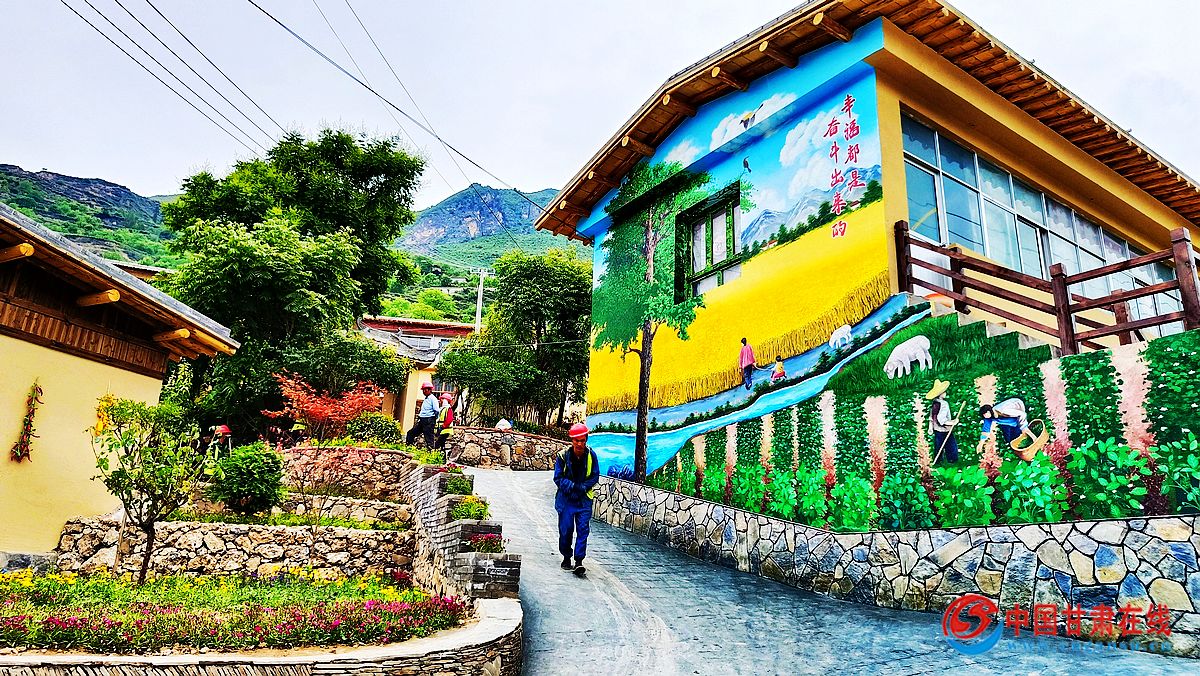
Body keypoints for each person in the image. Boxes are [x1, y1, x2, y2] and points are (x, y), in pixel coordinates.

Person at [553, 422, 599, 577]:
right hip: (566, 499)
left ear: (586, 440)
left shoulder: (591, 455)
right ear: (572, 440)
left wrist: (583, 487)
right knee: (565, 530)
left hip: (584, 499)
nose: (579, 444)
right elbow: (558, 478)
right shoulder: (562, 456)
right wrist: (573, 486)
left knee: (583, 530)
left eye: (582, 440)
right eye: (577, 440)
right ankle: (566, 556)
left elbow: (595, 476)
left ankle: (579, 561)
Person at [926, 379, 959, 464]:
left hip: (937, 430)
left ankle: (938, 462)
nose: (945, 393)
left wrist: (930, 427)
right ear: (940, 394)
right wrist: (952, 422)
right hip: (945, 429)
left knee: (938, 446)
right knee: (951, 446)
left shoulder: (935, 403)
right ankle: (952, 461)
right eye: (944, 392)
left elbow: (931, 417)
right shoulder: (944, 404)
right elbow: (941, 420)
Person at [405, 383, 439, 448]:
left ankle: (431, 451)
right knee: (411, 433)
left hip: (429, 419)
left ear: (430, 390)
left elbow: (436, 410)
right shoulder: (426, 399)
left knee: (429, 438)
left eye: (425, 390)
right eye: (423, 390)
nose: (424, 391)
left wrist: (434, 418)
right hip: (422, 419)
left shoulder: (433, 399)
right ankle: (409, 447)